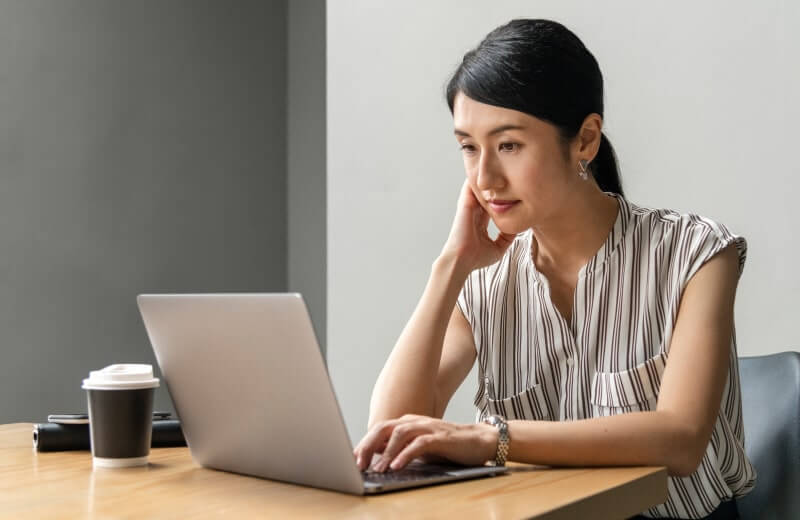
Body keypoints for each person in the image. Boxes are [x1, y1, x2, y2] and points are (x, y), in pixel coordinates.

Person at [351, 18, 755, 520]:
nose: (484, 177)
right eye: (468, 147)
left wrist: (491, 440)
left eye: (509, 146)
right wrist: (450, 267)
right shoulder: (481, 284)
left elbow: (680, 439)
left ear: (585, 141)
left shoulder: (695, 253)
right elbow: (389, 434)